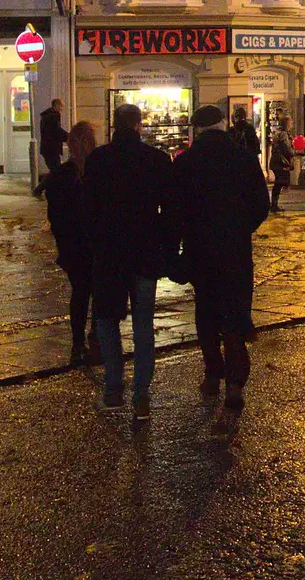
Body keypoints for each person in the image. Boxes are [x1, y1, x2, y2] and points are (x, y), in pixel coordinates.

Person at [173, 105, 268, 422]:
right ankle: (235, 384)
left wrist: (181, 243)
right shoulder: (242, 158)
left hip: (201, 251)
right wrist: (241, 229)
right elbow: (260, 205)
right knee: (235, 313)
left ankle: (213, 373)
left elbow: (177, 211)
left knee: (207, 313)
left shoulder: (186, 162)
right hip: (235, 250)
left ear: (197, 130)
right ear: (224, 125)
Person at [83, 104, 174, 420]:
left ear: (114, 124)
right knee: (143, 324)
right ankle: (141, 395)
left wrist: (95, 244)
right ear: (138, 125)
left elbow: (88, 210)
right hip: (144, 254)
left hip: (109, 254)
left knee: (107, 320)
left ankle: (113, 389)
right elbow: (170, 212)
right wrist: (166, 247)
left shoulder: (98, 160)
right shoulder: (156, 161)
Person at [42, 121, 99, 366]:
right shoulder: (93, 172)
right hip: (88, 244)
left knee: (83, 293)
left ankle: (83, 342)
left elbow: (55, 216)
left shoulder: (65, 175)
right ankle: (90, 339)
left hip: (77, 245)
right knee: (91, 293)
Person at [268, 117, 296, 212]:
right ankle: (274, 205)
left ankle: (274, 204)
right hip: (280, 163)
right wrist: (293, 152)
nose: (292, 124)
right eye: (290, 123)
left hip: (276, 162)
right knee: (279, 183)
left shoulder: (278, 133)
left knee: (279, 183)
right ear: (286, 124)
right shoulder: (283, 134)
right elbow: (286, 148)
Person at [39, 98, 68, 175]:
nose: (62, 109)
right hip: (52, 148)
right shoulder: (53, 116)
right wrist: (68, 137)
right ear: (56, 105)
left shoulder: (46, 116)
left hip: (47, 148)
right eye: (61, 106)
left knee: (54, 170)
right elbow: (56, 131)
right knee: (56, 171)